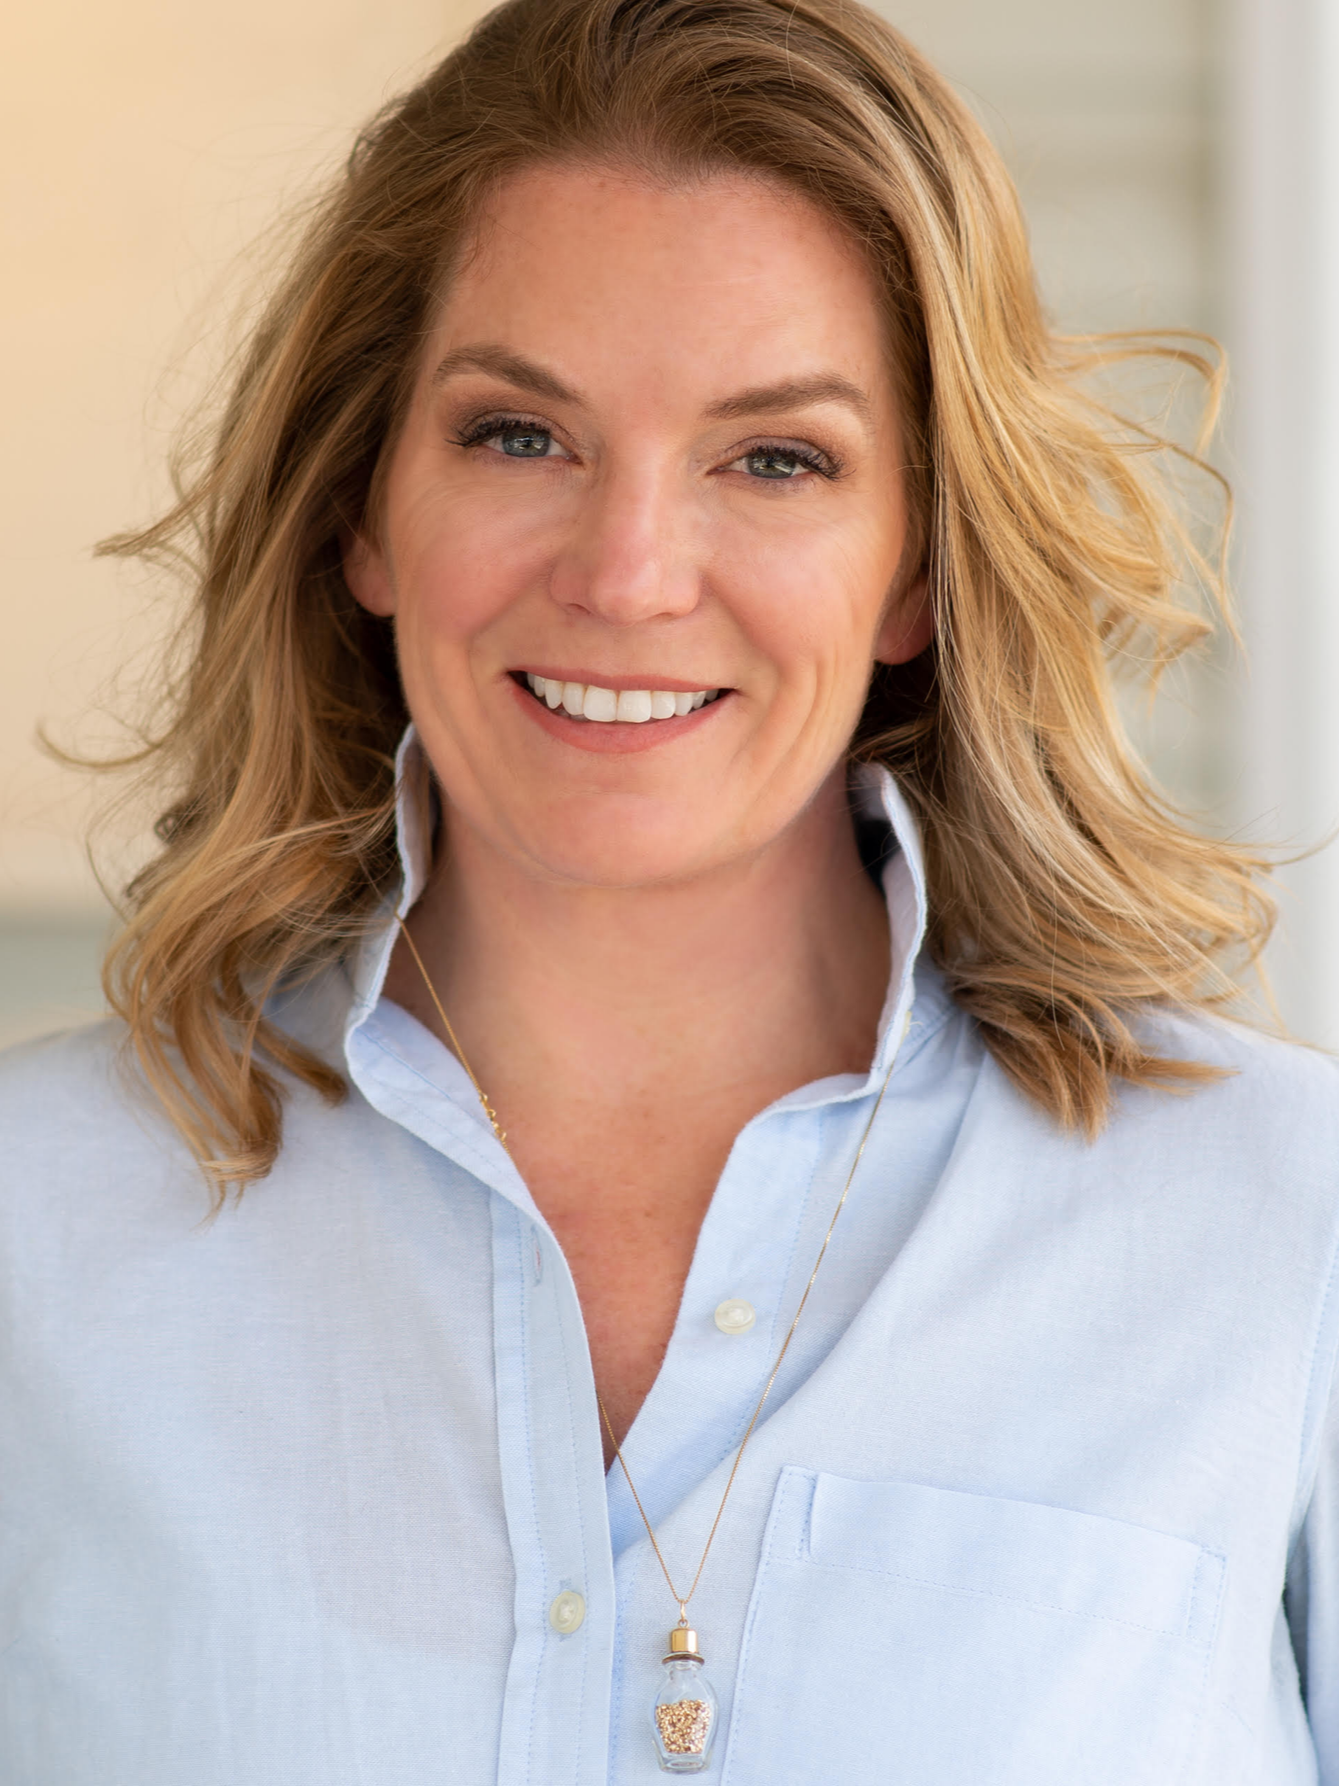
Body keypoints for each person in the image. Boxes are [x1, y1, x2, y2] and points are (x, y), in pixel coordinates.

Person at [2, 0, 1336, 1779]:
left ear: (918, 566)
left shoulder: (1279, 1234)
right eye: (516, 436)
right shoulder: (37, 1238)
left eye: (774, 458)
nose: (628, 571)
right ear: (365, 508)